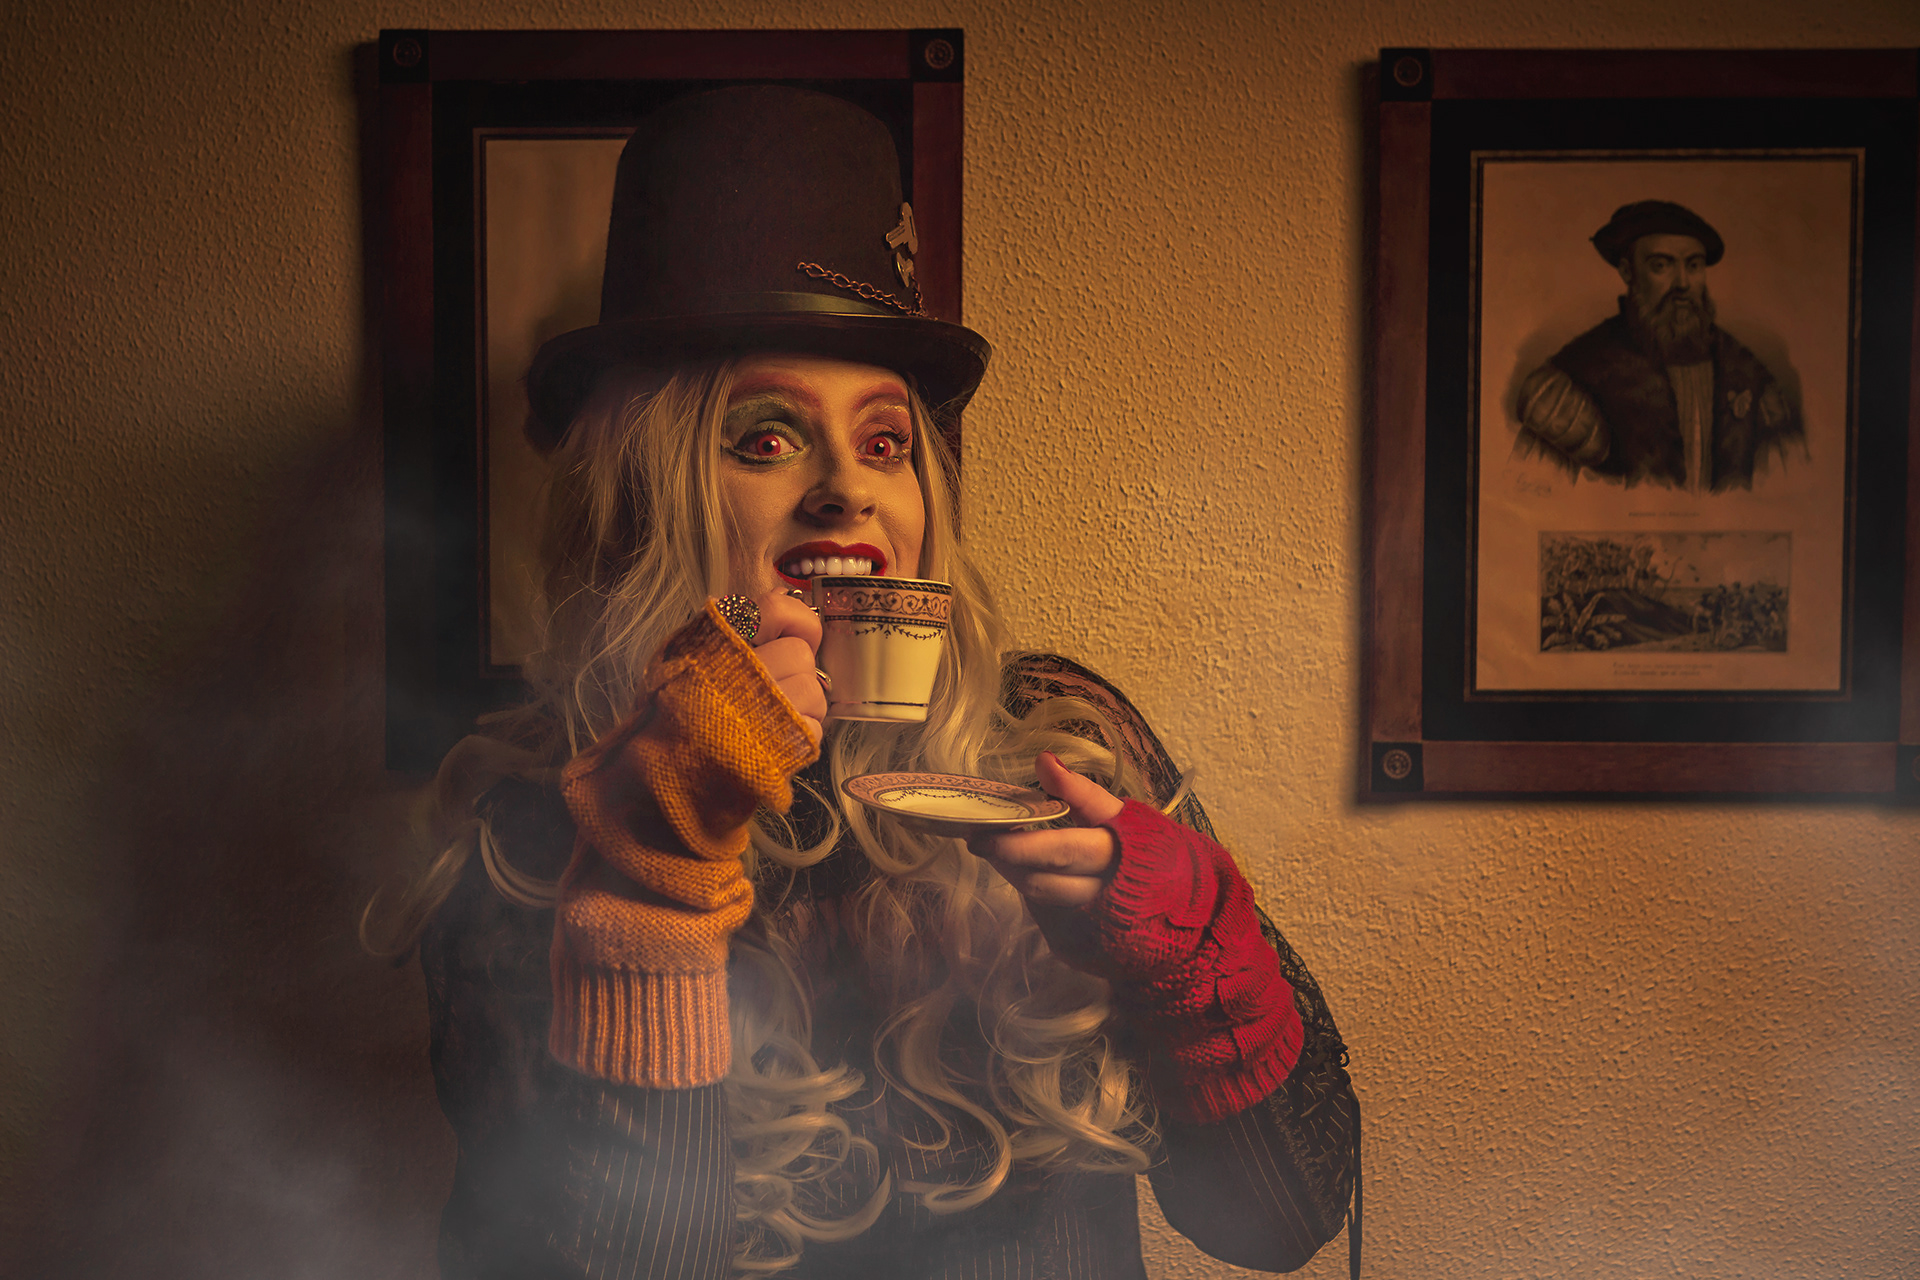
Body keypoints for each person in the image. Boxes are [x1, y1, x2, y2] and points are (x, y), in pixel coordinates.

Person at [370, 85, 1358, 1280]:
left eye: (885, 440)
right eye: (766, 438)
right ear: (646, 496)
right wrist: (652, 875)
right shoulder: (538, 832)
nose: (848, 487)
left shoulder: (1059, 736)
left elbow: (1284, 1223)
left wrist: (1196, 958)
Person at [1515, 199, 1804, 492]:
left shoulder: (1748, 373)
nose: (1683, 283)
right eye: (1661, 266)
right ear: (1628, 272)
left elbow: (1788, 493)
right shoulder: (1579, 374)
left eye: (1694, 265)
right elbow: (1534, 498)